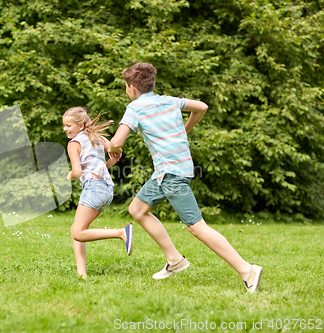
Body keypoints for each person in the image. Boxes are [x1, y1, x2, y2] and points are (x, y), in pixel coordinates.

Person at [108, 63, 263, 292]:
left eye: (125, 86)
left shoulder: (135, 107)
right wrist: (185, 130)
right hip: (167, 172)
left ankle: (246, 269)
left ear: (131, 88)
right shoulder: (169, 100)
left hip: (172, 174)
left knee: (197, 227)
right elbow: (201, 106)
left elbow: (117, 142)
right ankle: (175, 260)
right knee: (137, 209)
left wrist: (113, 148)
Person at [64, 107, 133, 279]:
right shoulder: (97, 137)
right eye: (64, 125)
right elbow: (116, 151)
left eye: (68, 125)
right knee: (77, 229)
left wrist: (69, 176)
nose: (65, 129)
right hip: (106, 189)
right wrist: (112, 160)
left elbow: (77, 172)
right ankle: (82, 274)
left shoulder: (74, 144)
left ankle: (120, 233)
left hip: (94, 188)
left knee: (78, 232)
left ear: (80, 126)